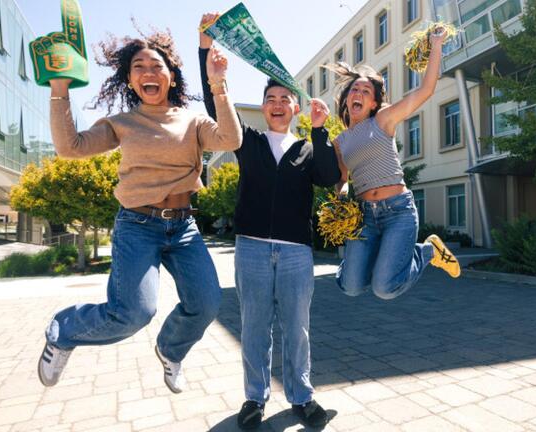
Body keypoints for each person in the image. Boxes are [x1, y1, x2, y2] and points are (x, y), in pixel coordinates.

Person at [36, 29, 242, 393]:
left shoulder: (192, 120)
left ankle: (170, 349)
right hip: (137, 225)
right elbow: (71, 147)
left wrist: (219, 85)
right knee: (133, 314)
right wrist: (59, 89)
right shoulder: (123, 124)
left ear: (171, 76)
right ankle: (65, 328)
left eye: (156, 66)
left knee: (208, 304)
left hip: (184, 229)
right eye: (139, 67)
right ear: (130, 79)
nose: (148, 72)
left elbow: (230, 140)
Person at [199, 14, 339, 430]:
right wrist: (207, 52)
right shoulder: (248, 141)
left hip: (297, 252)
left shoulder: (309, 149)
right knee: (254, 327)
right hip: (253, 249)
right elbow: (214, 107)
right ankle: (254, 398)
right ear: (264, 107)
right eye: (271, 99)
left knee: (297, 328)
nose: (278, 105)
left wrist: (319, 131)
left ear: (295, 107)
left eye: (285, 99)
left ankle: (301, 395)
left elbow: (330, 178)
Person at [329, 27, 461, 301]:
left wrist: (436, 45)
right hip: (364, 215)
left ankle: (427, 251)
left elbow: (426, 90)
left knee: (384, 288)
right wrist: (340, 201)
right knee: (350, 287)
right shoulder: (339, 141)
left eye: (366, 90)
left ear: (374, 102)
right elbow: (342, 179)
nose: (359, 92)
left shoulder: (383, 120)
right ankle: (370, 258)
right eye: (355, 88)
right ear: (347, 98)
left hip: (398, 211)